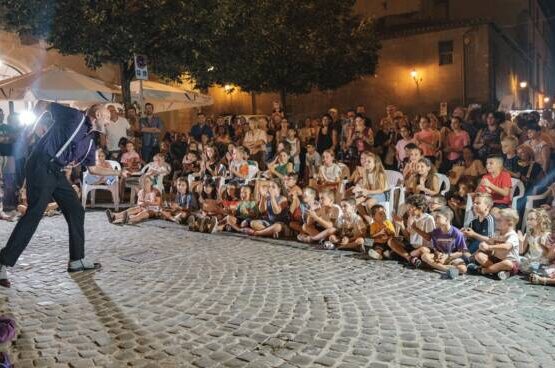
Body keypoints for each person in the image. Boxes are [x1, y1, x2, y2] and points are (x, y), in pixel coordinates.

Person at [0, 103, 109, 288]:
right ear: (97, 114)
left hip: (56, 171)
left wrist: (118, 173)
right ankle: (2, 261)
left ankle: (77, 260)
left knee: (76, 210)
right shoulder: (74, 116)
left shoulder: (91, 140)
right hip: (41, 164)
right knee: (34, 214)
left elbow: (92, 168)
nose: (109, 120)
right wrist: (31, 129)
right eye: (107, 116)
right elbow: (44, 104)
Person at [413, 206, 469, 278]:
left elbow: (462, 252)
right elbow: (435, 248)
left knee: (463, 269)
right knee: (424, 256)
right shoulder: (435, 232)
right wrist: (438, 254)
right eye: (434, 217)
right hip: (439, 257)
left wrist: (448, 256)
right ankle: (446, 269)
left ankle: (435, 266)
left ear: (447, 219)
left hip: (451, 257)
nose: (435, 219)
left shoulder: (457, 233)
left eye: (438, 217)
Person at [469, 208, 521, 280]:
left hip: (510, 262)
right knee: (479, 256)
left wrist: (489, 247)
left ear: (510, 223)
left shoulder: (512, 235)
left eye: (500, 220)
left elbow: (506, 247)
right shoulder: (498, 233)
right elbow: (489, 241)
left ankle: (484, 270)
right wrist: (482, 246)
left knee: (507, 263)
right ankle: (497, 272)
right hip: (496, 260)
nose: (497, 222)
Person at [387, 194, 435, 267]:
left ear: (420, 208)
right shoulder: (411, 217)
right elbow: (409, 238)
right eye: (409, 207)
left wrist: (415, 228)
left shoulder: (428, 219)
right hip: (413, 247)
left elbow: (429, 237)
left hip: (424, 248)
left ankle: (405, 256)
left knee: (423, 250)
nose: (409, 210)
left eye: (412, 207)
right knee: (391, 241)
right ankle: (410, 258)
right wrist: (401, 225)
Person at [519, 208, 552, 274]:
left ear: (539, 220)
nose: (528, 221)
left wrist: (541, 245)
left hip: (541, 261)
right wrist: (521, 241)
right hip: (530, 260)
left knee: (533, 267)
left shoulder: (546, 235)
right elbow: (521, 251)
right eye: (527, 219)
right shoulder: (528, 234)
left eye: (531, 219)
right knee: (515, 260)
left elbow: (548, 255)